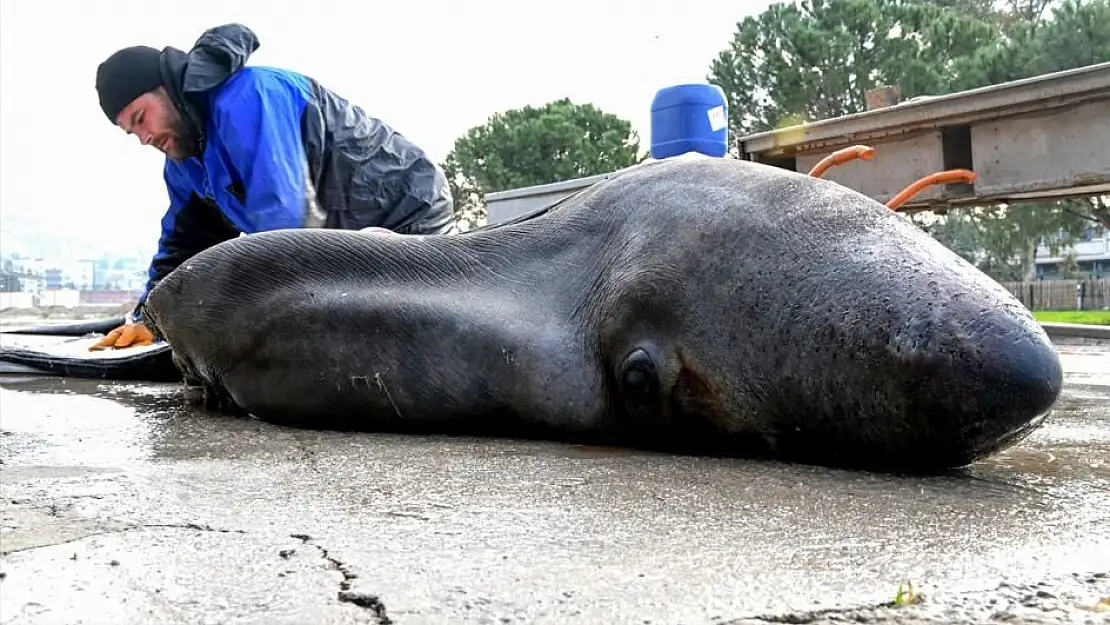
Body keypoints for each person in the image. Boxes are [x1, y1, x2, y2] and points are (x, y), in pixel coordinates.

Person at [90, 23, 457, 350]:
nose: (144, 137)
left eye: (141, 118)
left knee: (409, 341)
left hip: (405, 212)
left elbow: (285, 226)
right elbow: (181, 247)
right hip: (345, 241)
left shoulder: (249, 99)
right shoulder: (184, 161)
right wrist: (148, 320)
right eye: (131, 132)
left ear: (167, 88)